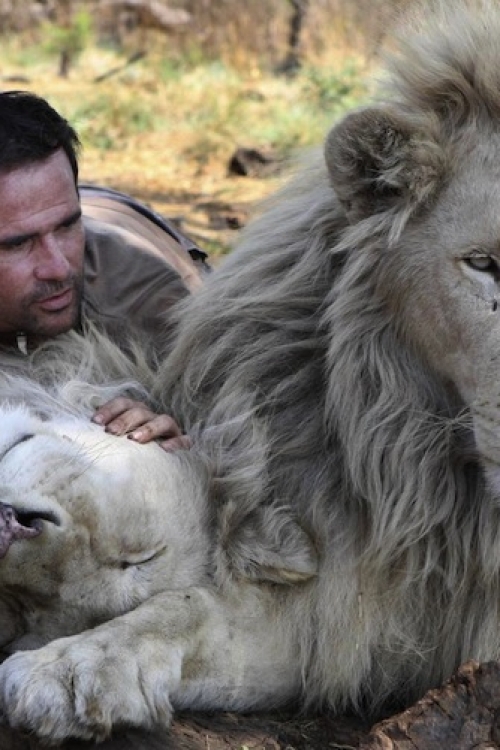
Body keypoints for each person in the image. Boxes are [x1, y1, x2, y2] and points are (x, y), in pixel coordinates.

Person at [0, 90, 209, 449]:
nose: (58, 268)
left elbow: (244, 440)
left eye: (68, 225)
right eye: (18, 244)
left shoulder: (152, 301)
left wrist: (175, 441)